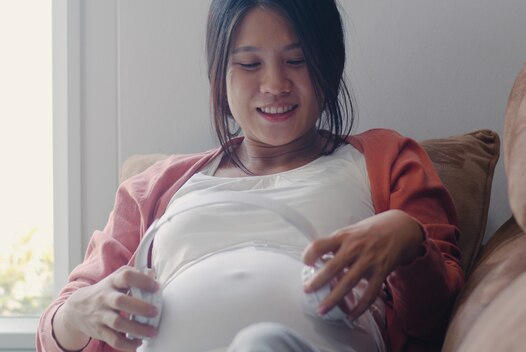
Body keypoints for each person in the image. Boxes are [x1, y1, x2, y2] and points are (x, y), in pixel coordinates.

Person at [37, 0, 463, 351]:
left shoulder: (386, 160)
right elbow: (54, 335)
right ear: (220, 78)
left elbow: (433, 318)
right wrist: (80, 312)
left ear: (329, 68)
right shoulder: (154, 188)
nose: (275, 83)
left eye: (296, 60)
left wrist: (409, 240)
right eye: (249, 64)